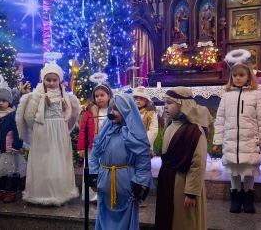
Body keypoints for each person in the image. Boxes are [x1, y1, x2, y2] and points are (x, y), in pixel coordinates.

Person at [16, 63, 80, 206]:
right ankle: (41, 193)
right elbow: (29, 116)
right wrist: (39, 128)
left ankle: (59, 193)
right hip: (42, 131)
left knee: (59, 161)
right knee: (43, 162)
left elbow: (71, 116)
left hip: (60, 133)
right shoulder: (36, 95)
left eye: (54, 80)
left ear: (60, 80)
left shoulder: (66, 95)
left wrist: (63, 127)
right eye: (48, 80)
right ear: (42, 80)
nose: (51, 83)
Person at [213, 49, 261, 214]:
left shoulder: (257, 95)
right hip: (231, 141)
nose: (237, 78)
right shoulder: (226, 96)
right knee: (234, 171)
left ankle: (248, 198)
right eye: (235, 75)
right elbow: (220, 120)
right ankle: (235, 198)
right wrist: (217, 141)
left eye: (241, 75)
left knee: (249, 170)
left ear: (249, 76)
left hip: (250, 140)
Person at [89, 93, 152, 230]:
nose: (112, 113)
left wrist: (141, 180)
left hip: (125, 182)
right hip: (105, 181)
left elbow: (143, 159)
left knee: (126, 217)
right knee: (104, 215)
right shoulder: (107, 130)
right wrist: (93, 173)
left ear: (126, 110)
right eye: (111, 109)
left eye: (116, 109)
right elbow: (95, 153)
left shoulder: (135, 134)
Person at [155, 87, 209, 230]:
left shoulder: (194, 130)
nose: (165, 106)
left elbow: (197, 163)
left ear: (183, 104)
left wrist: (191, 192)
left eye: (169, 103)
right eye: (164, 103)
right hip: (168, 180)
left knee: (184, 221)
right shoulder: (170, 125)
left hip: (183, 183)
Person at [77, 83, 113, 203]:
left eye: (102, 95)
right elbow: (83, 130)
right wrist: (81, 147)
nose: (99, 98)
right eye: (96, 96)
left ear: (108, 95)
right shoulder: (89, 112)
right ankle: (93, 197)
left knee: (105, 170)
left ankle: (106, 195)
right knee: (92, 170)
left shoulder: (113, 111)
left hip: (109, 147)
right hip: (92, 148)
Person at [133, 86, 158, 208]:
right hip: (131, 147)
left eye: (141, 98)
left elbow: (153, 130)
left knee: (144, 173)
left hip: (144, 148)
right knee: (132, 171)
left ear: (146, 101)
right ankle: (132, 195)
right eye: (136, 98)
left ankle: (142, 198)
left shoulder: (151, 114)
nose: (138, 100)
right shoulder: (130, 112)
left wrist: (142, 142)